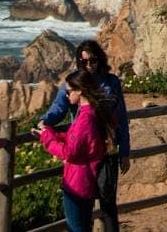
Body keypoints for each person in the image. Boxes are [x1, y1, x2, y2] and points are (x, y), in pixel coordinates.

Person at [41, 41, 131, 232]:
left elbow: (122, 118)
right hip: (86, 153)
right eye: (84, 62)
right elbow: (59, 107)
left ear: (100, 59)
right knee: (85, 204)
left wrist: (125, 151)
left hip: (107, 151)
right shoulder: (75, 82)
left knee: (107, 204)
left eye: (93, 60)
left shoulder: (111, 81)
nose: (89, 65)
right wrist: (45, 121)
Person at [37, 69, 116, 232]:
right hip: (87, 180)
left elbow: (69, 152)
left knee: (77, 228)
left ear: (79, 91)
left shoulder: (85, 119)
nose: (66, 95)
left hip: (77, 183)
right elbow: (80, 140)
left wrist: (47, 137)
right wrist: (52, 133)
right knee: (83, 225)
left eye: (68, 91)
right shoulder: (94, 112)